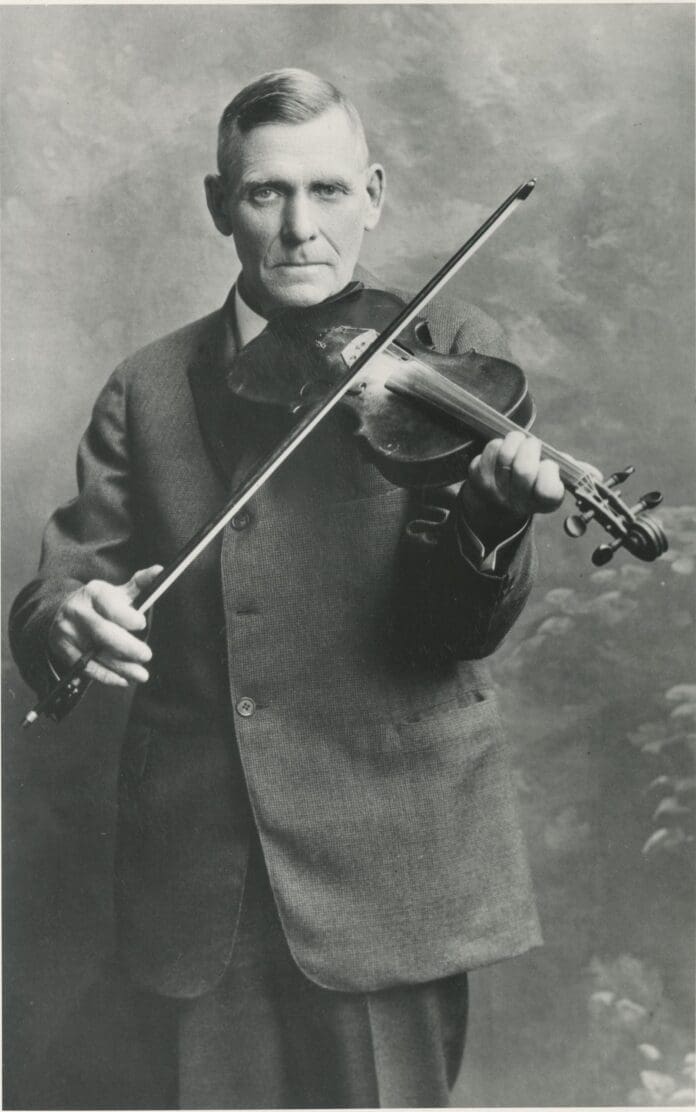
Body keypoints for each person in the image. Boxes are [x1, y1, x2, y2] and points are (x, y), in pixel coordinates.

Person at [10, 69, 565, 1109]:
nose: (300, 227)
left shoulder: (433, 375)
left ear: (375, 193)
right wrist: (66, 617)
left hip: (387, 867)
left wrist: (492, 519)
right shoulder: (147, 382)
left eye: (327, 190)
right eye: (266, 193)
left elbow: (452, 628)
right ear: (220, 204)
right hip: (196, 883)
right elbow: (63, 579)